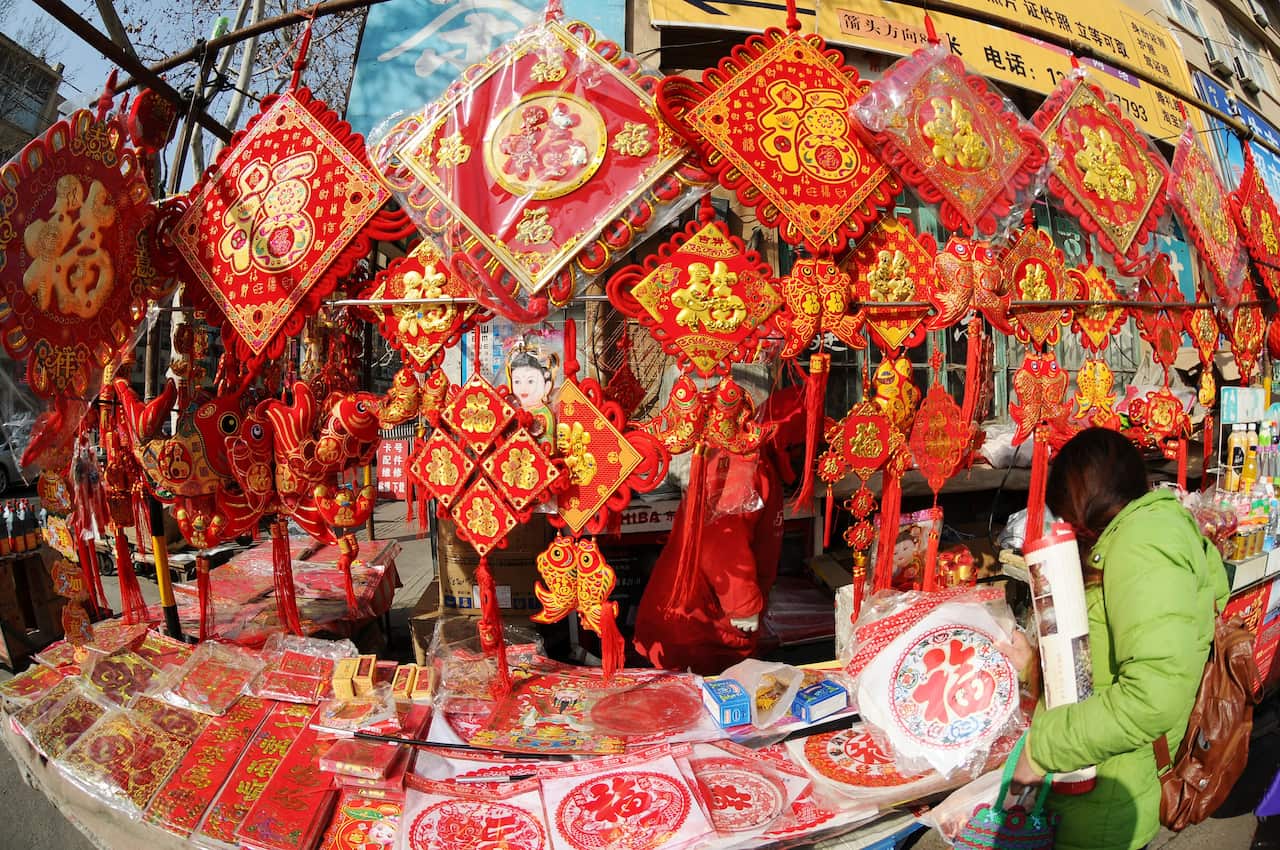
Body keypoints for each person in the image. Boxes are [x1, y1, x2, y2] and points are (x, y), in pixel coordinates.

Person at [1011, 427, 1229, 850]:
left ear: (1081, 496)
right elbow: (1105, 656)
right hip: (1094, 786)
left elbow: (1151, 698)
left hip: (1106, 802)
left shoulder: (1143, 546)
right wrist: (1032, 663)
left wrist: (1042, 749)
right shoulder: (1133, 537)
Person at [506, 349, 557, 447]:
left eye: (530, 381)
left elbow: (541, 433)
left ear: (547, 386)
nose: (523, 387)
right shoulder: (515, 408)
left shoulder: (542, 413)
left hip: (541, 450)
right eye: (517, 381)